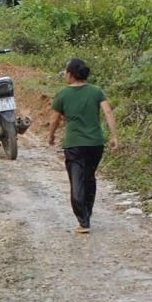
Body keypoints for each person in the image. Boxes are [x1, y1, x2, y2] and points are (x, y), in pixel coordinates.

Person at [48, 58, 119, 233]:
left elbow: (55, 119)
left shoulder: (63, 94)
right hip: (95, 144)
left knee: (76, 181)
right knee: (89, 177)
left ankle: (83, 221)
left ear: (71, 74)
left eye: (66, 71)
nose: (65, 74)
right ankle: (87, 212)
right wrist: (114, 135)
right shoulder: (96, 91)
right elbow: (108, 112)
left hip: (74, 145)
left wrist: (51, 136)